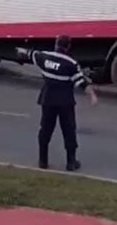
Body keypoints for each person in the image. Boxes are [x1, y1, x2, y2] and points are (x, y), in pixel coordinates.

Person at [17, 35, 98, 171]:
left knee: (45, 130)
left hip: (47, 100)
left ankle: (43, 161)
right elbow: (81, 83)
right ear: (68, 46)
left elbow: (30, 53)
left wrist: (21, 50)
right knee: (69, 131)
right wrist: (93, 96)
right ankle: (71, 163)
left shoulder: (45, 57)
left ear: (56, 44)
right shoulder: (71, 64)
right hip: (65, 102)